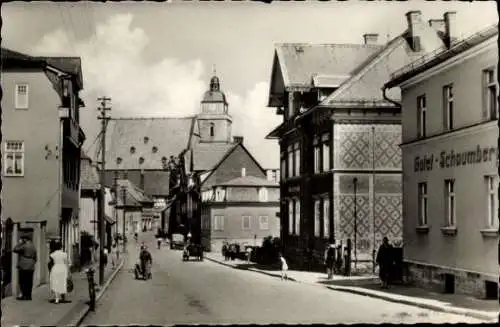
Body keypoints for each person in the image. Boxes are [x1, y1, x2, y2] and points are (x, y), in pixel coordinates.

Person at [13, 235, 37, 300]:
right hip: (31, 265)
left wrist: (19, 243)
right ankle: (29, 296)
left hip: (24, 265)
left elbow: (15, 249)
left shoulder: (24, 246)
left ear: (25, 239)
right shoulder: (33, 246)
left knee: (22, 281)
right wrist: (32, 263)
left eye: (22, 239)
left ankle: (24, 295)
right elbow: (35, 258)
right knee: (29, 281)